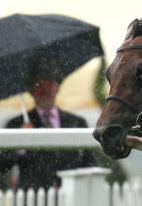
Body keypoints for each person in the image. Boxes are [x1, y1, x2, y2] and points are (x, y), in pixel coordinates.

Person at [0, 57, 97, 190]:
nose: (45, 90)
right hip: (33, 202)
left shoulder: (77, 122)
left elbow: (90, 164)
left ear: (57, 87)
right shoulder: (16, 123)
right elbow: (3, 166)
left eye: (49, 83)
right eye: (39, 84)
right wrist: (19, 143)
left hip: (72, 200)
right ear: (30, 90)